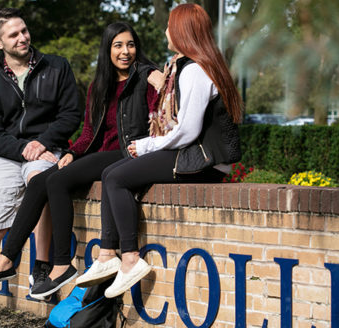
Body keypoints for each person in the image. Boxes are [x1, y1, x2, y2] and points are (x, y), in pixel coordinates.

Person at [0, 21, 159, 300]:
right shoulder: (100, 86)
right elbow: (88, 132)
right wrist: (73, 152)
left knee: (56, 181)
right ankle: (8, 259)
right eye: (117, 45)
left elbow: (160, 120)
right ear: (107, 49)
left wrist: (153, 73)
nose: (125, 51)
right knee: (43, 182)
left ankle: (59, 264)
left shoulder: (146, 77)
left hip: (129, 151)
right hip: (101, 154)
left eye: (130, 45)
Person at [75, 3, 244, 298]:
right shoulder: (197, 65)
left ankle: (129, 259)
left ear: (181, 31)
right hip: (196, 155)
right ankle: (106, 256)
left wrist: (147, 145)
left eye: (169, 25)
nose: (165, 30)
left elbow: (188, 130)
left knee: (116, 178)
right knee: (110, 171)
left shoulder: (195, 70)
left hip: (203, 161)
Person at [0, 8, 81, 326]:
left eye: (24, 31)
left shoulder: (57, 66)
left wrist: (43, 143)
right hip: (10, 156)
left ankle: (40, 270)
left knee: (44, 180)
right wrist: (23, 147)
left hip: (48, 150)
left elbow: (71, 114)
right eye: (14, 34)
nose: (22, 37)